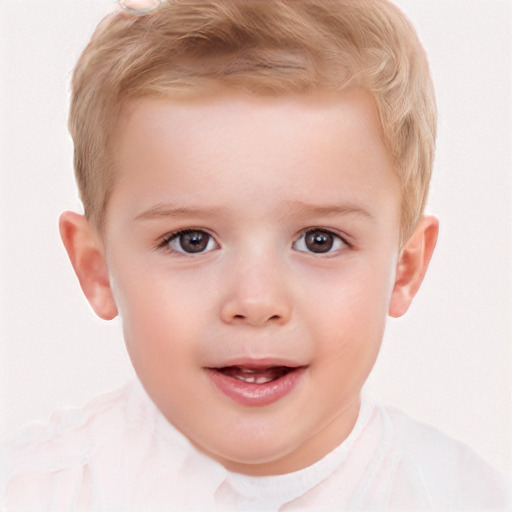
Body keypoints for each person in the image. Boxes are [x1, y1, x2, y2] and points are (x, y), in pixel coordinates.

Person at [1, 0, 510, 510]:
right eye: (191, 240)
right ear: (97, 269)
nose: (256, 300)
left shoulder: (464, 497)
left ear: (405, 268)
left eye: (319, 240)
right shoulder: (36, 493)